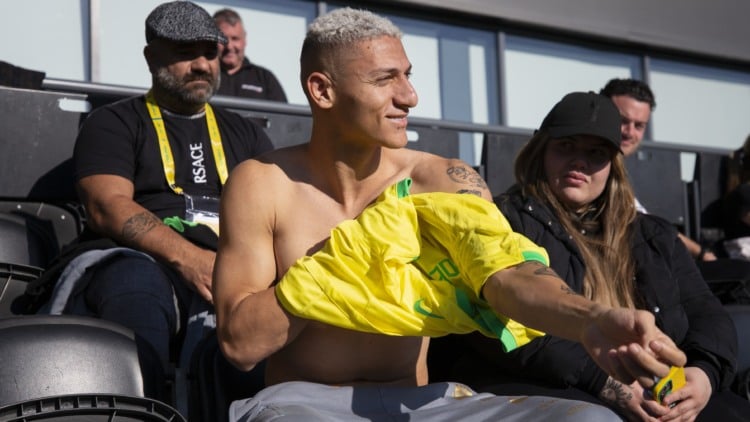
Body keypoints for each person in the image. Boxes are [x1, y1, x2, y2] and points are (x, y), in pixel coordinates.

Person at [213, 9, 686, 421]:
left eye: (408, 75)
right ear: (322, 90)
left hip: (422, 404)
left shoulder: (442, 179)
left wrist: (589, 319)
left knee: (589, 418)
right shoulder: (262, 183)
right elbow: (240, 345)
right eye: (385, 79)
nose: (410, 96)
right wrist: (341, 263)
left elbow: (508, 274)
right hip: (301, 403)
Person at [452, 92, 746, 421]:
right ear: (541, 151)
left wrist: (704, 374)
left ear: (612, 165)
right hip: (550, 383)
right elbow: (497, 324)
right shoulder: (504, 219)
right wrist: (603, 381)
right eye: (566, 146)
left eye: (596, 153)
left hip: (658, 385)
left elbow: (706, 311)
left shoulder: (653, 234)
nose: (579, 161)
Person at [32, 0, 274, 395]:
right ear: (150, 58)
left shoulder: (246, 133)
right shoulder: (114, 122)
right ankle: (140, 408)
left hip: (234, 265)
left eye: (210, 53)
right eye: (185, 52)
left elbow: (278, 212)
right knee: (135, 284)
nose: (202, 65)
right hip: (144, 260)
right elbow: (107, 206)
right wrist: (191, 259)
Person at [600, 78, 717, 262]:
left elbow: (648, 222)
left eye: (639, 125)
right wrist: (701, 254)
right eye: (622, 121)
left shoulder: (618, 174)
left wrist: (701, 253)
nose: (630, 132)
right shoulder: (586, 170)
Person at [213, 8, 287, 102]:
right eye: (223, 39)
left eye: (235, 38)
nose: (229, 46)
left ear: (244, 39)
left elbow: (283, 111)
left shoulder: (264, 78)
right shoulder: (204, 76)